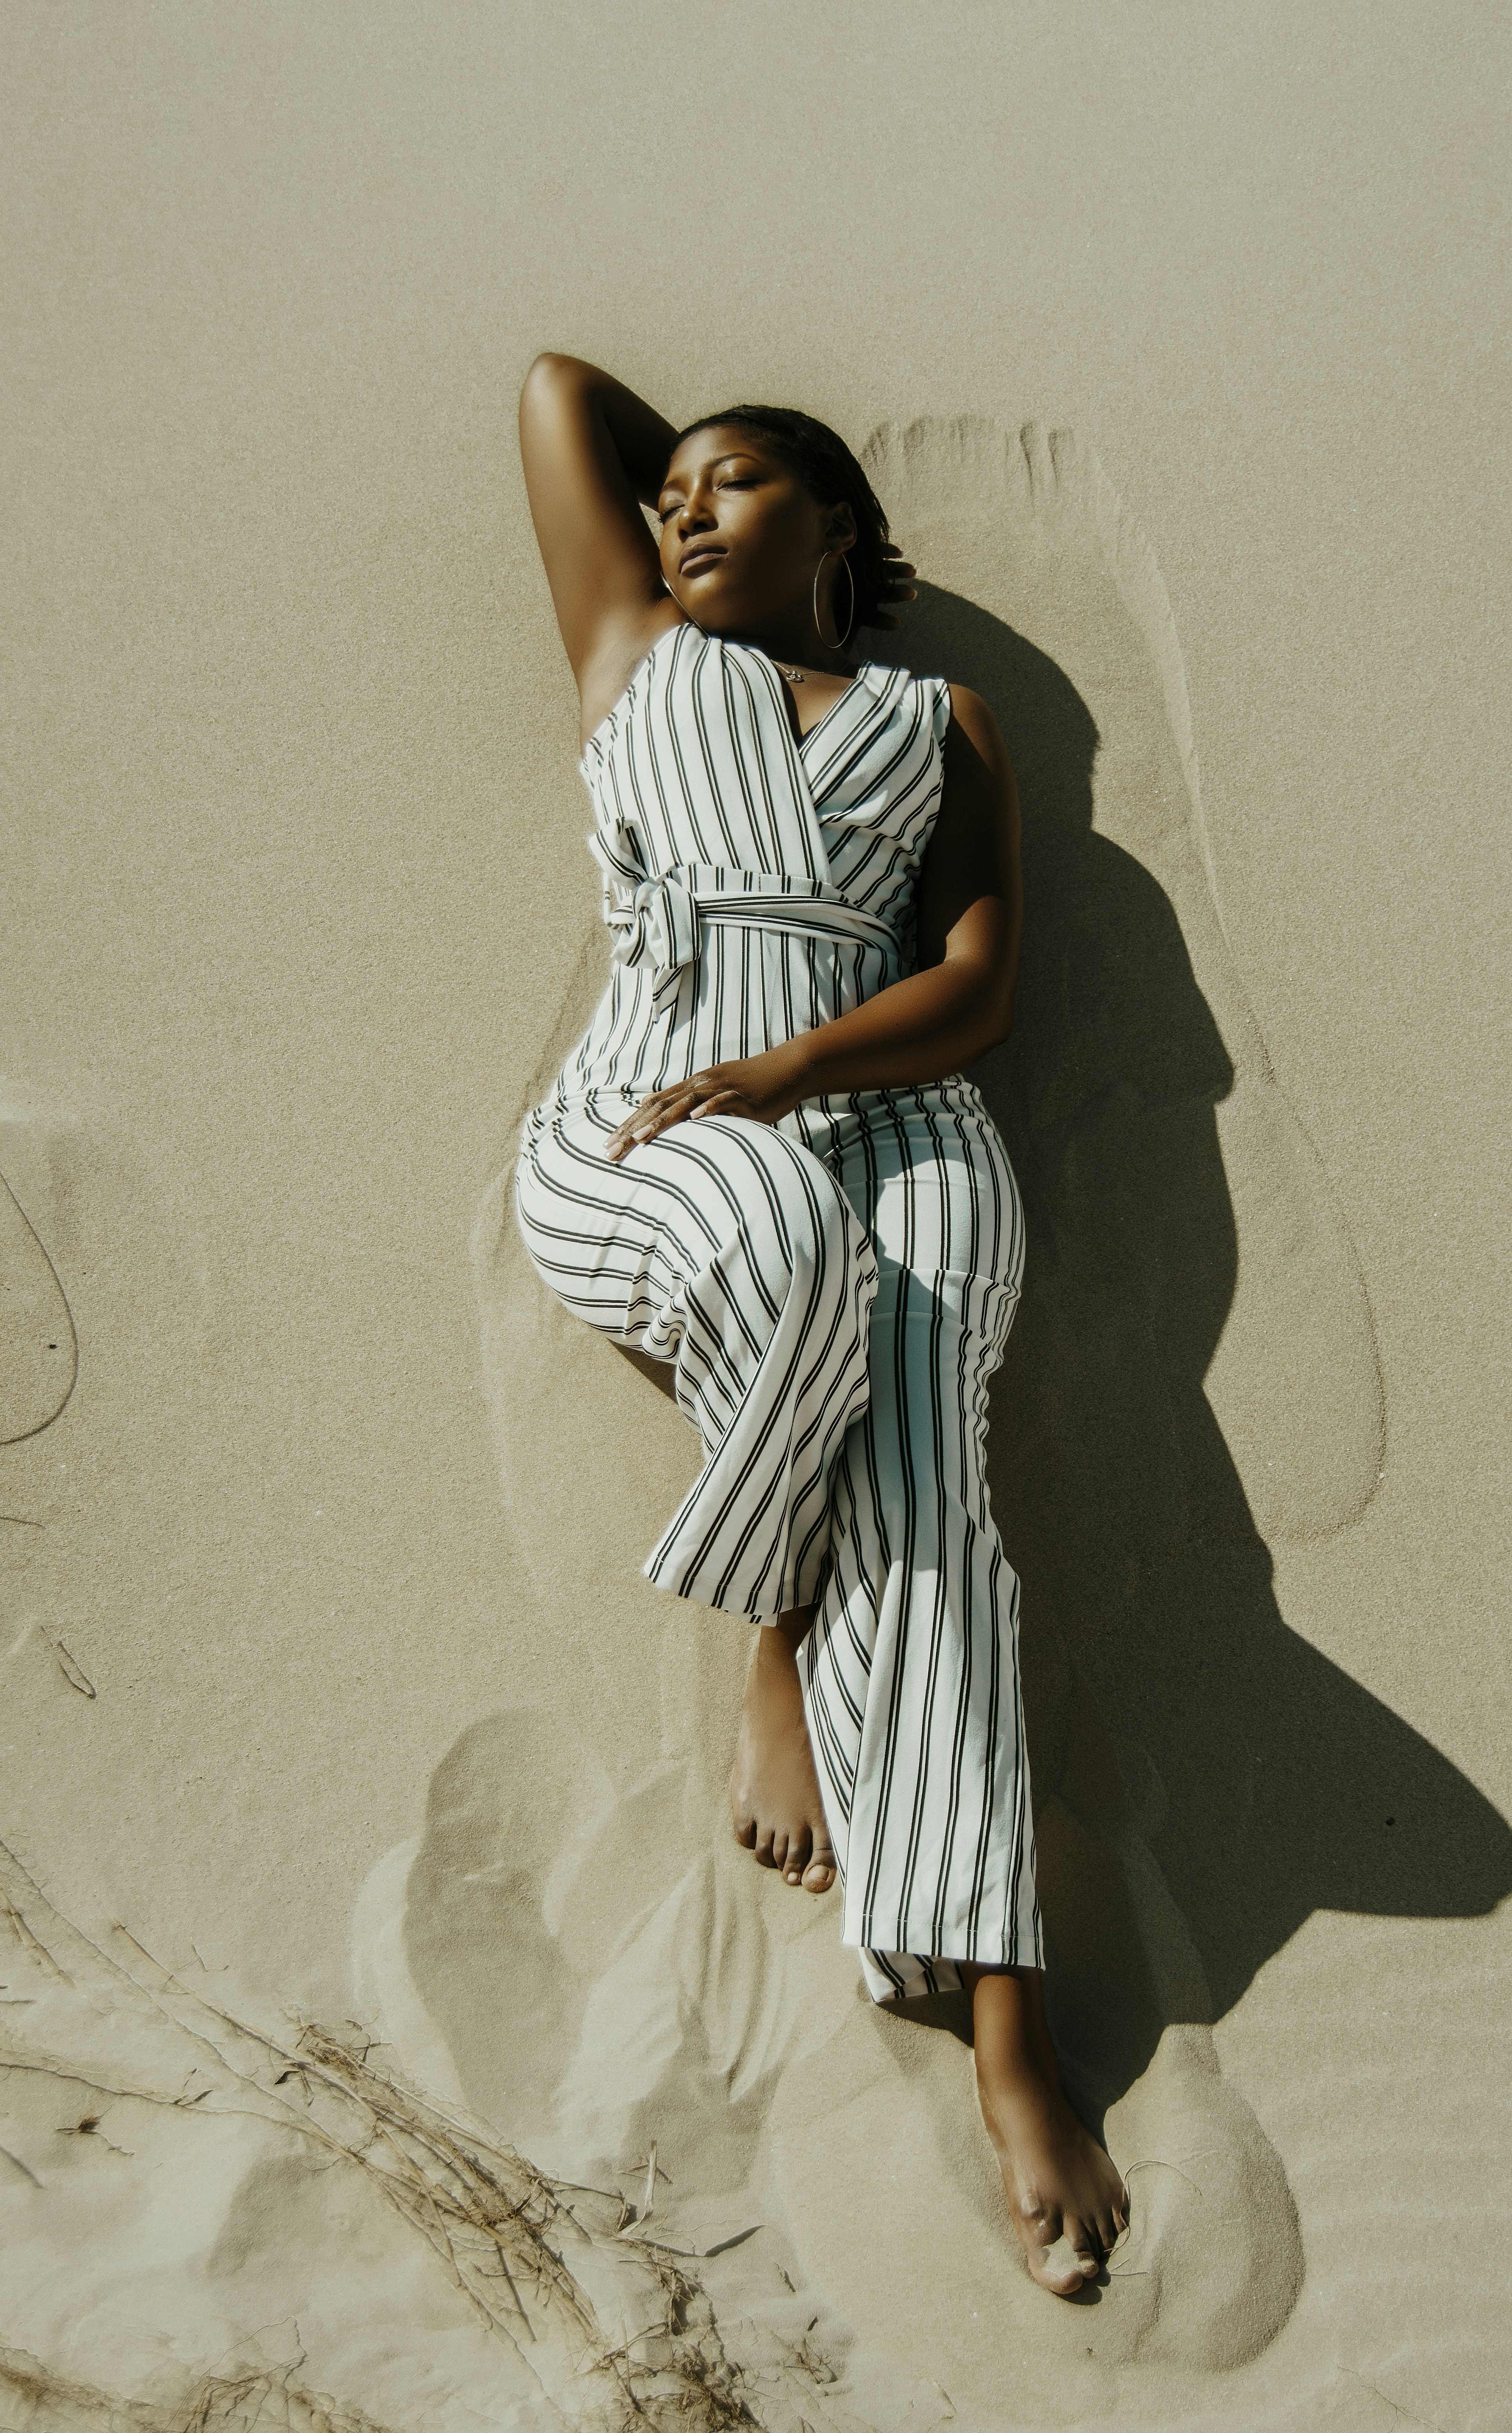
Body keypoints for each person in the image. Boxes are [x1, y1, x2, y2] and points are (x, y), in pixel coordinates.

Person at [512, 354, 1129, 2293]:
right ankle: (779, 1650)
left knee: (938, 1487)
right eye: (671, 491)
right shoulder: (631, 657)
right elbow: (556, 398)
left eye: (742, 485)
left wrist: (799, 1062)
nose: (682, 510)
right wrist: (691, 469)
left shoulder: (937, 718)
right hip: (644, 1132)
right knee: (788, 1233)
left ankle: (1015, 2037)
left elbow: (975, 992)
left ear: (844, 529)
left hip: (891, 1117)